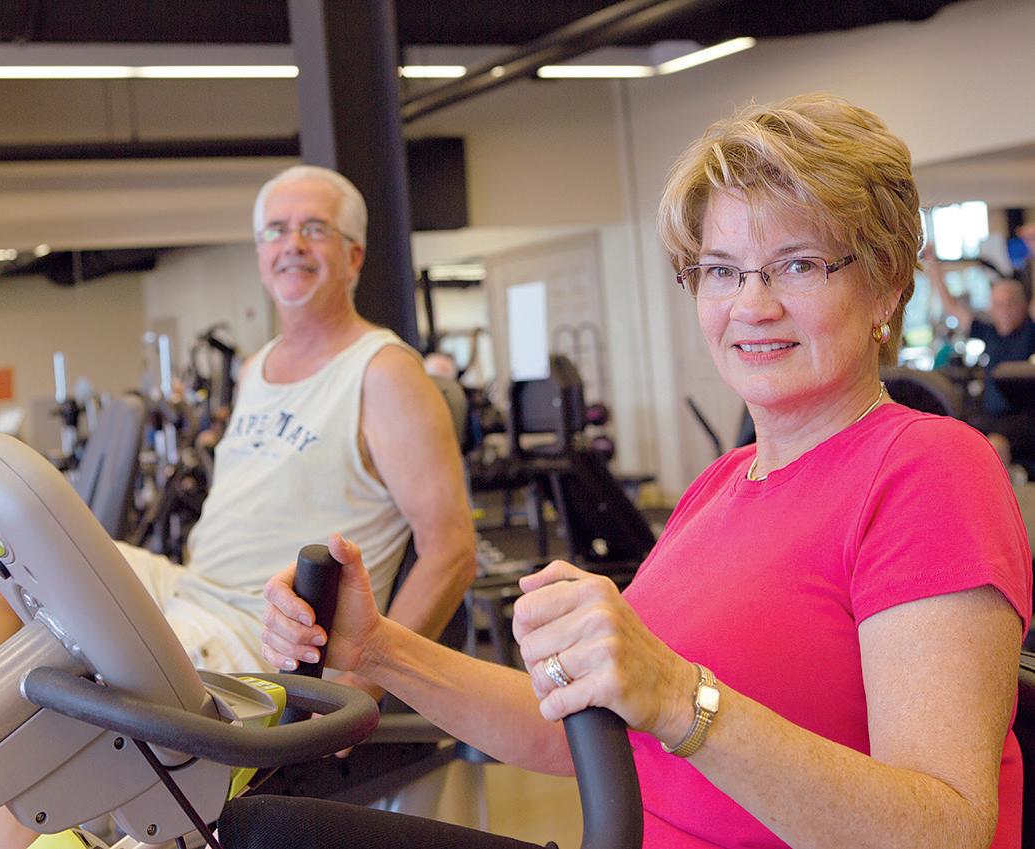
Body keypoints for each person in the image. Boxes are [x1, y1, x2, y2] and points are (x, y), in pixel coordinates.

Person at [264, 95, 1032, 849]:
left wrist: (677, 696)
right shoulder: (721, 485)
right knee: (265, 828)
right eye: (722, 271)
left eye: (796, 265)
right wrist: (378, 648)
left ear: (887, 285)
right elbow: (578, 731)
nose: (751, 304)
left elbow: (944, 830)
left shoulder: (928, 471)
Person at [0, 165, 476, 848]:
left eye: (314, 229)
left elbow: (452, 550)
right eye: (276, 231)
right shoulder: (257, 366)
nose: (291, 244)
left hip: (260, 629)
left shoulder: (384, 373)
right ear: (260, 253)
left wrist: (363, 687)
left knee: (49, 737)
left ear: (354, 255)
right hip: (189, 586)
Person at [924, 250, 1035, 467]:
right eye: (998, 304)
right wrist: (933, 267)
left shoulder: (1030, 332)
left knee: (994, 445)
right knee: (953, 441)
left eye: (1010, 303)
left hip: (1023, 420)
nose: (1004, 310)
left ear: (1022, 305)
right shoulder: (988, 332)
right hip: (989, 418)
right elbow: (951, 307)